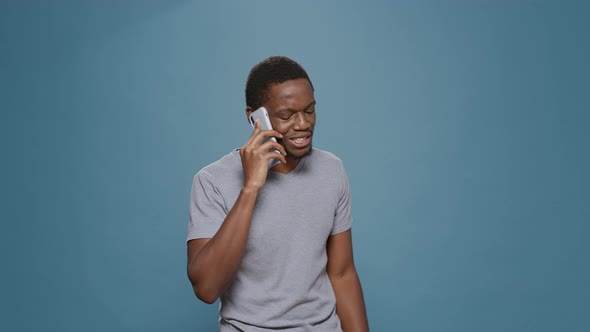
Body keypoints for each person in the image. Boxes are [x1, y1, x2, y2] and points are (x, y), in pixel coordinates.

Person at [186, 56, 369, 331]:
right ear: (254, 117)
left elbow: (342, 274)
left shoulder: (331, 169)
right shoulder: (212, 181)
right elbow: (207, 288)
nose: (302, 124)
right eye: (286, 115)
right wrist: (251, 188)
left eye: (309, 111)